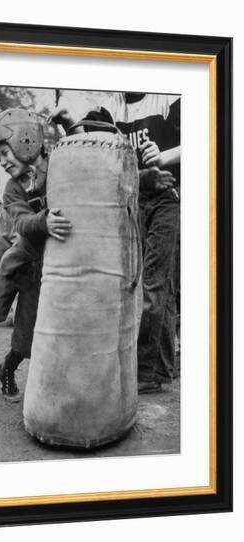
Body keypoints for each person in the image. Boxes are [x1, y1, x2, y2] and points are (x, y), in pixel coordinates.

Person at [0, 109, 72, 402]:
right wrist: (43, 221)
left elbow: (83, 160)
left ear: (27, 141)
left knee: (25, 337)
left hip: (46, 270)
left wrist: (69, 124)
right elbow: (22, 222)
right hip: (23, 254)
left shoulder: (58, 167)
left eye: (6, 152)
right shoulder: (11, 188)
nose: (3, 160)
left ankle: (6, 369)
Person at [110, 92, 181, 394]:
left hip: (169, 197)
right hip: (137, 199)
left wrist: (165, 155)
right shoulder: (113, 107)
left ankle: (147, 372)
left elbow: (213, 134)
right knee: (155, 284)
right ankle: (163, 366)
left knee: (154, 284)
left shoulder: (167, 98)